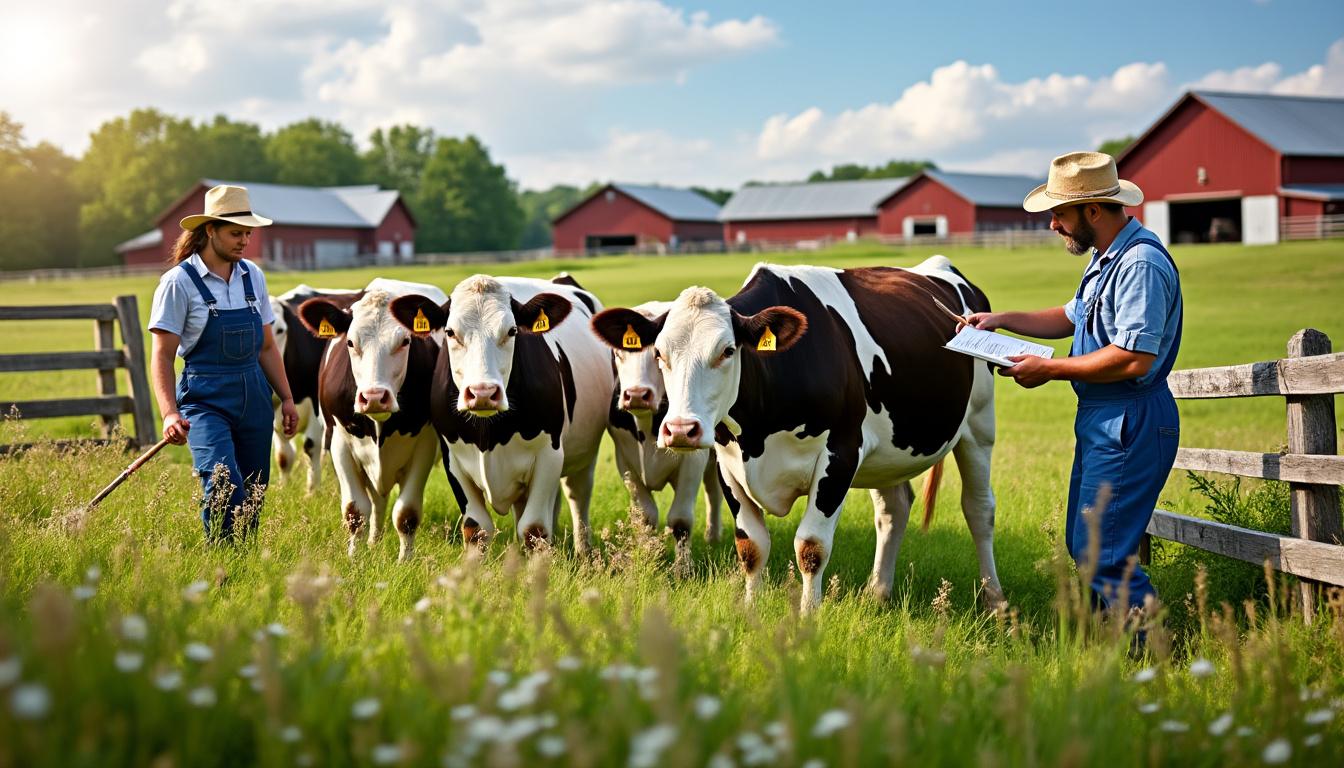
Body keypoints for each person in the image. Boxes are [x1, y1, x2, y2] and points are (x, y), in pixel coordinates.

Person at [963, 151, 1183, 614]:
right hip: (1106, 416)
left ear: (1093, 211)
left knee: (1101, 553)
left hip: (1130, 415)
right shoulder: (1108, 256)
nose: (1053, 225)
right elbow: (1070, 315)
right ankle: (1117, 642)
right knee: (1085, 543)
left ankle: (1151, 647)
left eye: (1058, 214)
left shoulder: (1139, 264)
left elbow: (1134, 358)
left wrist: (1049, 369)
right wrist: (1000, 320)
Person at [148, 185, 299, 541]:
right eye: (236, 233)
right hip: (205, 399)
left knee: (254, 491)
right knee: (222, 483)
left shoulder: (253, 276)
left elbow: (265, 347)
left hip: (254, 397)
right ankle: (218, 564)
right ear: (210, 230)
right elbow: (162, 354)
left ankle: (241, 568)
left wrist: (287, 398)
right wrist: (169, 412)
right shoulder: (177, 283)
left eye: (247, 233)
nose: (244, 241)